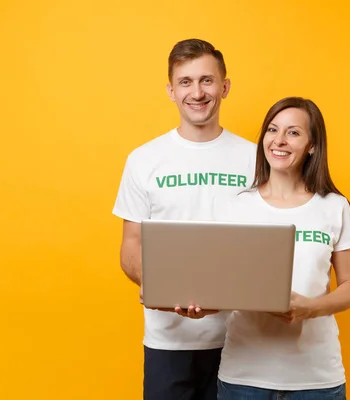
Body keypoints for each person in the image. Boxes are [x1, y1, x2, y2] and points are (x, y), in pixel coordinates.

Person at [177, 96, 350, 399]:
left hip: (316, 381)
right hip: (244, 379)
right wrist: (199, 306)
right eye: (272, 130)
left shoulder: (334, 206)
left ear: (312, 145)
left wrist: (311, 308)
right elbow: (221, 285)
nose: (279, 140)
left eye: (293, 132)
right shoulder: (235, 206)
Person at [112, 38, 257, 400]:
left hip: (243, 340)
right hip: (167, 342)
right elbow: (131, 246)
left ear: (224, 87)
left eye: (207, 80)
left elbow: (267, 243)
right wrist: (164, 285)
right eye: (186, 82)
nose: (197, 92)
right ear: (171, 91)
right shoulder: (144, 160)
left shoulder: (257, 159)